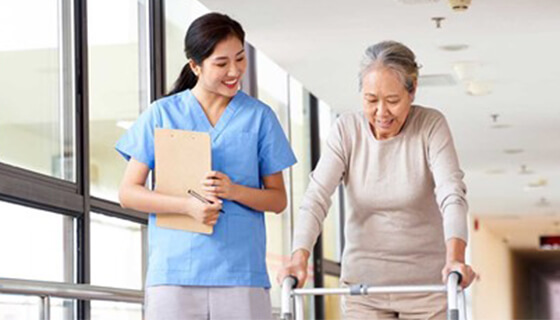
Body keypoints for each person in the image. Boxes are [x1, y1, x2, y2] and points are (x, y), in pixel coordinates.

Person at [116, 12, 296, 320]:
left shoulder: (260, 117)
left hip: (241, 274)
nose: (234, 71)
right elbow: (128, 193)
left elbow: (278, 199)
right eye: (221, 63)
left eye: (240, 59)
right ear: (195, 66)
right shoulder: (162, 114)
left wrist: (235, 190)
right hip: (174, 275)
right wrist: (187, 206)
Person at [278, 41, 475, 319]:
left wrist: (456, 258)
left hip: (426, 288)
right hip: (364, 288)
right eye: (371, 100)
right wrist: (299, 258)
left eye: (392, 101)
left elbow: (452, 194)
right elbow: (316, 198)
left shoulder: (431, 126)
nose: (381, 113)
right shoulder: (346, 131)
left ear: (412, 90)